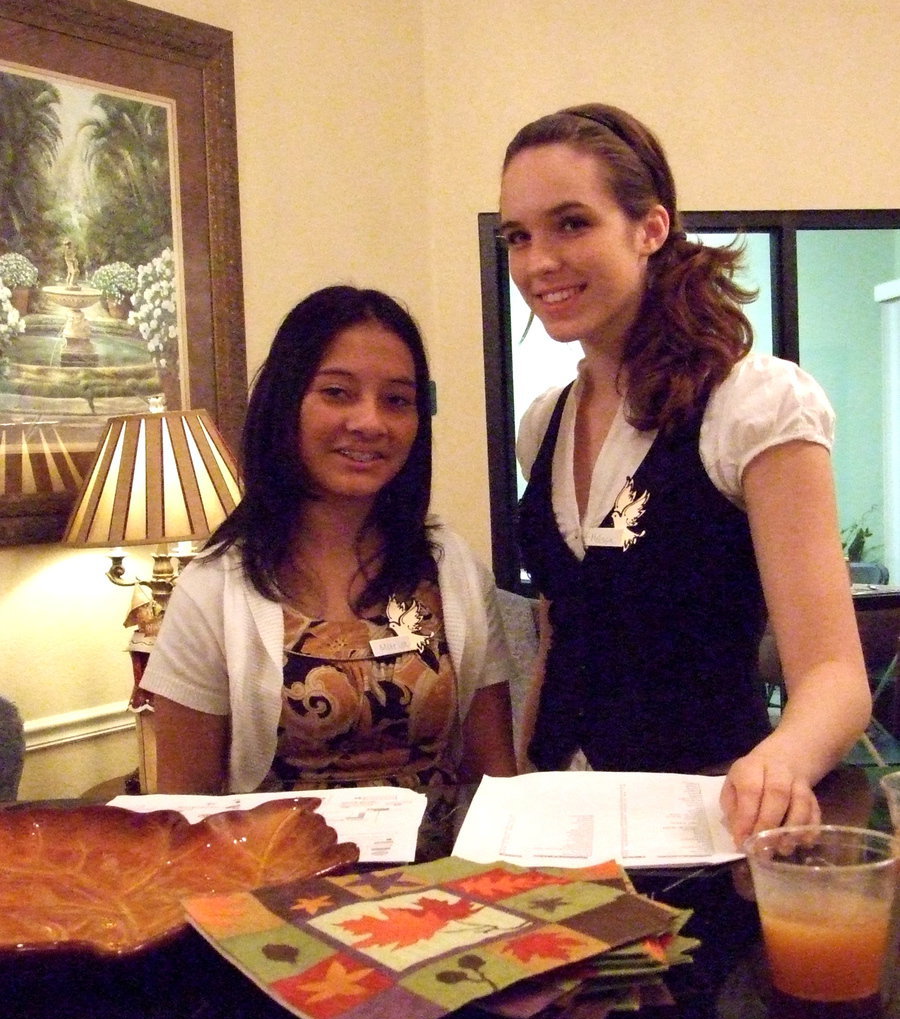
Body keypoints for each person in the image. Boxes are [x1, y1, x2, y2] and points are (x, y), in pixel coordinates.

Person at [499, 103, 871, 846]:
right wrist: (519, 784)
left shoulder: (754, 405)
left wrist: (783, 759)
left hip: (705, 817)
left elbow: (834, 674)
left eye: (572, 223)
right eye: (518, 236)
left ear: (651, 228)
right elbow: (559, 634)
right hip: (560, 822)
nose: (539, 261)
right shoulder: (543, 422)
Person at [142, 285, 516, 795]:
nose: (369, 422)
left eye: (397, 400)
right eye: (337, 392)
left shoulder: (452, 569)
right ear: (285, 401)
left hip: (445, 873)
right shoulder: (212, 590)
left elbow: (495, 781)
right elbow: (183, 813)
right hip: (278, 871)